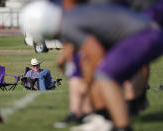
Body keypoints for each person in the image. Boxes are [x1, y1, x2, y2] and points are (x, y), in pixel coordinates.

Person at [19, 1, 162, 130]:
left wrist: (88, 81)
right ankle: (108, 119)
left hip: (145, 35)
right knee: (102, 73)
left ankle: (118, 124)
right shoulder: (70, 17)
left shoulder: (68, 24)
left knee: (105, 74)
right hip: (146, 33)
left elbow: (96, 53)